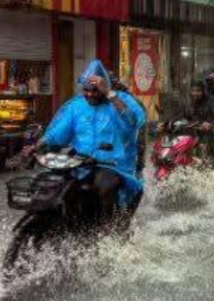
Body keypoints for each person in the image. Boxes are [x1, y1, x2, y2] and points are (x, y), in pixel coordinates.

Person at [40, 61, 146, 224]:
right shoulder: (75, 106)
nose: (89, 94)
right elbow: (58, 133)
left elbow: (133, 120)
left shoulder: (122, 100)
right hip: (79, 164)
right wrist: (40, 144)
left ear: (106, 87)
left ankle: (108, 230)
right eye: (86, 90)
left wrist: (111, 95)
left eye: (95, 90)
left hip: (113, 164)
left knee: (105, 185)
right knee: (54, 186)